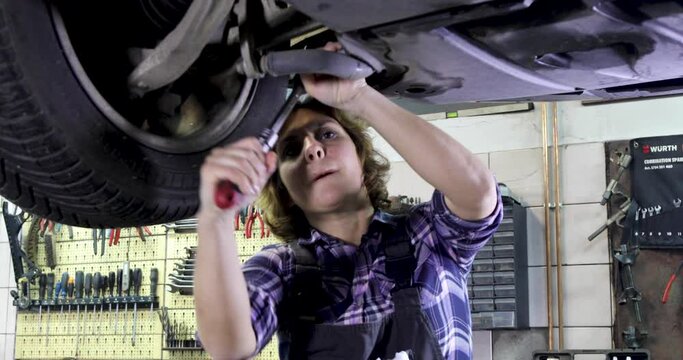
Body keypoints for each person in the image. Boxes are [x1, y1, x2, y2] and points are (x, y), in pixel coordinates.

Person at [195, 42, 503, 360]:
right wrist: (214, 219)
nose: (312, 149)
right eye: (291, 150)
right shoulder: (281, 268)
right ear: (284, 190)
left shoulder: (427, 237)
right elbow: (227, 344)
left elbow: (477, 192)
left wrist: (359, 96)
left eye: (327, 134)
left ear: (361, 158)